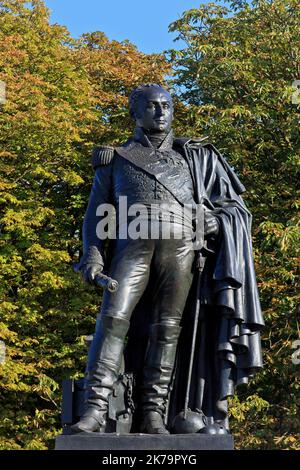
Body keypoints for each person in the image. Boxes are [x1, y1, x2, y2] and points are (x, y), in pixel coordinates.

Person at [71, 84, 264, 435]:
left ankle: (153, 413)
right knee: (113, 320)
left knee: (168, 330)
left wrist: (216, 221)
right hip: (132, 247)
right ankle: (95, 409)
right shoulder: (114, 159)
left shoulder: (194, 158)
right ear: (135, 112)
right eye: (152, 106)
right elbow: (97, 214)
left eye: (167, 105)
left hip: (182, 250)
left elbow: (232, 208)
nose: (161, 112)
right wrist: (93, 256)